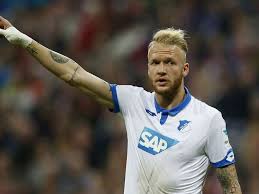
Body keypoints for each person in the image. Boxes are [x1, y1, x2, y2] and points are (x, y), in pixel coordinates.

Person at [0, 16, 242, 194]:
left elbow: (231, 187)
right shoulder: (134, 100)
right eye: (155, 62)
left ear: (185, 69)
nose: (162, 69)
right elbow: (73, 74)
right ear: (147, 68)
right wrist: (24, 41)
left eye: (170, 62)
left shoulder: (208, 119)